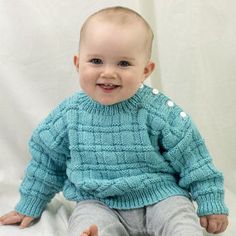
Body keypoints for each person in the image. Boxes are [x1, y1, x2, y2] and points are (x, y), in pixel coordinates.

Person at [0, 6, 229, 236]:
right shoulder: (69, 115)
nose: (108, 72)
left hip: (161, 195)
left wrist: (210, 200)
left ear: (145, 70)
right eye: (97, 61)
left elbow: (193, 157)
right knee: (86, 222)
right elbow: (47, 162)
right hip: (98, 201)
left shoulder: (158, 111)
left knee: (179, 217)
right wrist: (30, 202)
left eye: (123, 64)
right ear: (78, 63)